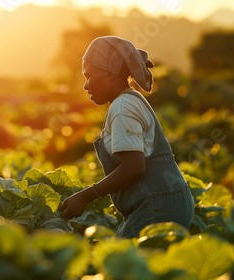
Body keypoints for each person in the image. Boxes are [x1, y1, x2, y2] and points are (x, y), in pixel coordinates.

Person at [58, 36, 194, 238]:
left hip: (156, 208)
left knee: (123, 265)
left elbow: (134, 166)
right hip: (169, 203)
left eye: (89, 76)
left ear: (111, 73)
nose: (86, 86)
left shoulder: (122, 108)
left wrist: (87, 195)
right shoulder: (132, 99)